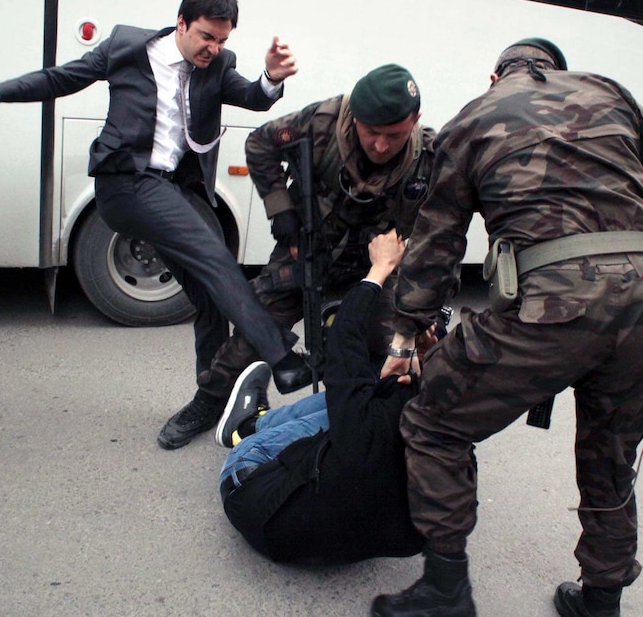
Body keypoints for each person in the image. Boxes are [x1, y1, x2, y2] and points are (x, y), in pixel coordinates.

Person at [373, 39, 643, 617]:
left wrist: (407, 333)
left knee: (432, 423)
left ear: (495, 74)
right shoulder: (609, 92)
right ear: (559, 69)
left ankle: (445, 589)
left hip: (549, 308)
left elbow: (438, 243)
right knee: (610, 456)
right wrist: (633, 258)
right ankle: (601, 600)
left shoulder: (473, 117)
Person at [0, 0, 313, 431]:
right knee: (214, 254)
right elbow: (61, 78)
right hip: (125, 185)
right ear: (181, 23)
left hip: (175, 188)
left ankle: (209, 401)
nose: (213, 48)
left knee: (210, 292)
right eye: (206, 37)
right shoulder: (127, 48)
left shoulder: (218, 65)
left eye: (222, 40)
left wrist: (270, 77)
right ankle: (281, 356)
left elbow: (253, 97)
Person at [156, 64, 437, 450]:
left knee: (390, 350)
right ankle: (209, 402)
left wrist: (420, 308)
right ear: (355, 116)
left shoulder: (429, 156)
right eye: (372, 132)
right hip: (307, 249)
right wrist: (282, 212)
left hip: (378, 266)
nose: (382, 146)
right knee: (255, 330)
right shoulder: (323, 122)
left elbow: (439, 237)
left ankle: (374, 424)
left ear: (415, 120)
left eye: (395, 134)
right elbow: (259, 144)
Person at [217, 230, 448, 565]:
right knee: (347, 409)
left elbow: (345, 337)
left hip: (255, 507)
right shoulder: (453, 447)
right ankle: (256, 423)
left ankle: (249, 428)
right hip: (344, 547)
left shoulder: (363, 420)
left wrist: (380, 269)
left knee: (338, 408)